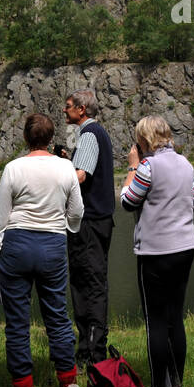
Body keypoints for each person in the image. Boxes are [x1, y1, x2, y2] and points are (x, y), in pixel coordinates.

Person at [0, 113, 85, 387]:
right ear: (51, 138)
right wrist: (65, 227)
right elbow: (78, 211)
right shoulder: (66, 167)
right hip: (53, 247)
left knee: (17, 323)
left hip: (16, 246)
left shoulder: (13, 168)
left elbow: (0, 220)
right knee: (57, 316)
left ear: (26, 138)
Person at [119, 115, 194, 387]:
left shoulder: (147, 166)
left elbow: (128, 201)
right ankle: (177, 386)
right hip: (185, 247)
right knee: (174, 318)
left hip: (155, 251)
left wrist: (131, 167)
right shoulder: (185, 163)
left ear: (143, 140)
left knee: (155, 320)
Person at [64, 89, 116, 367]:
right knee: (92, 282)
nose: (64, 110)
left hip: (90, 223)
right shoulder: (97, 134)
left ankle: (92, 354)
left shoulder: (89, 135)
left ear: (82, 109)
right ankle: (91, 348)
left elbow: (79, 175)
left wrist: (56, 173)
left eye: (69, 106)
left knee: (88, 284)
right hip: (100, 221)